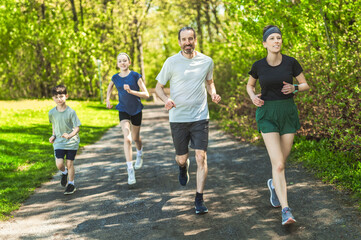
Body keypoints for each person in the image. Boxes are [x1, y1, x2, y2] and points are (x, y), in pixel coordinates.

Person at [246, 25, 310, 225]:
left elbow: (306, 85)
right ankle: (286, 210)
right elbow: (250, 85)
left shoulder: (291, 62)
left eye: (279, 38)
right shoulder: (259, 66)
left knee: (282, 160)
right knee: (279, 164)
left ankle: (274, 185)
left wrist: (296, 87)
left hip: (287, 113)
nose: (276, 41)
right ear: (265, 43)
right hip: (267, 114)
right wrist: (252, 97)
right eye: (272, 38)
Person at [155, 26, 221, 214]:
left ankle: (199, 199)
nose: (187, 43)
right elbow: (159, 87)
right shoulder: (171, 62)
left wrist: (213, 94)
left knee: (201, 157)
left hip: (200, 116)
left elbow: (210, 82)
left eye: (190, 39)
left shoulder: (207, 61)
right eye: (184, 39)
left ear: (195, 40)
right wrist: (166, 100)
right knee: (182, 158)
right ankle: (183, 167)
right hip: (178, 118)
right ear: (179, 42)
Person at [106, 52, 149, 185]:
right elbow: (110, 86)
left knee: (135, 138)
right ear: (117, 64)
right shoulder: (115, 77)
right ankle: (130, 169)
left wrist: (131, 92)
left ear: (129, 62)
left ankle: (140, 153)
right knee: (127, 138)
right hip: (123, 110)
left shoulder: (135, 76)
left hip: (136, 110)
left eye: (125, 60)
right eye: (120, 61)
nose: (122, 63)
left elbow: (146, 94)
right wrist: (108, 99)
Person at [49, 85, 81, 195]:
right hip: (59, 142)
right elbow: (54, 125)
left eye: (61, 96)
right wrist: (53, 135)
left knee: (70, 163)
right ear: (53, 98)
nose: (59, 99)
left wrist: (70, 135)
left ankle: (71, 184)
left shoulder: (71, 112)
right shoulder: (51, 113)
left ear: (66, 96)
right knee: (59, 164)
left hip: (72, 142)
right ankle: (64, 172)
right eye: (56, 97)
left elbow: (77, 127)